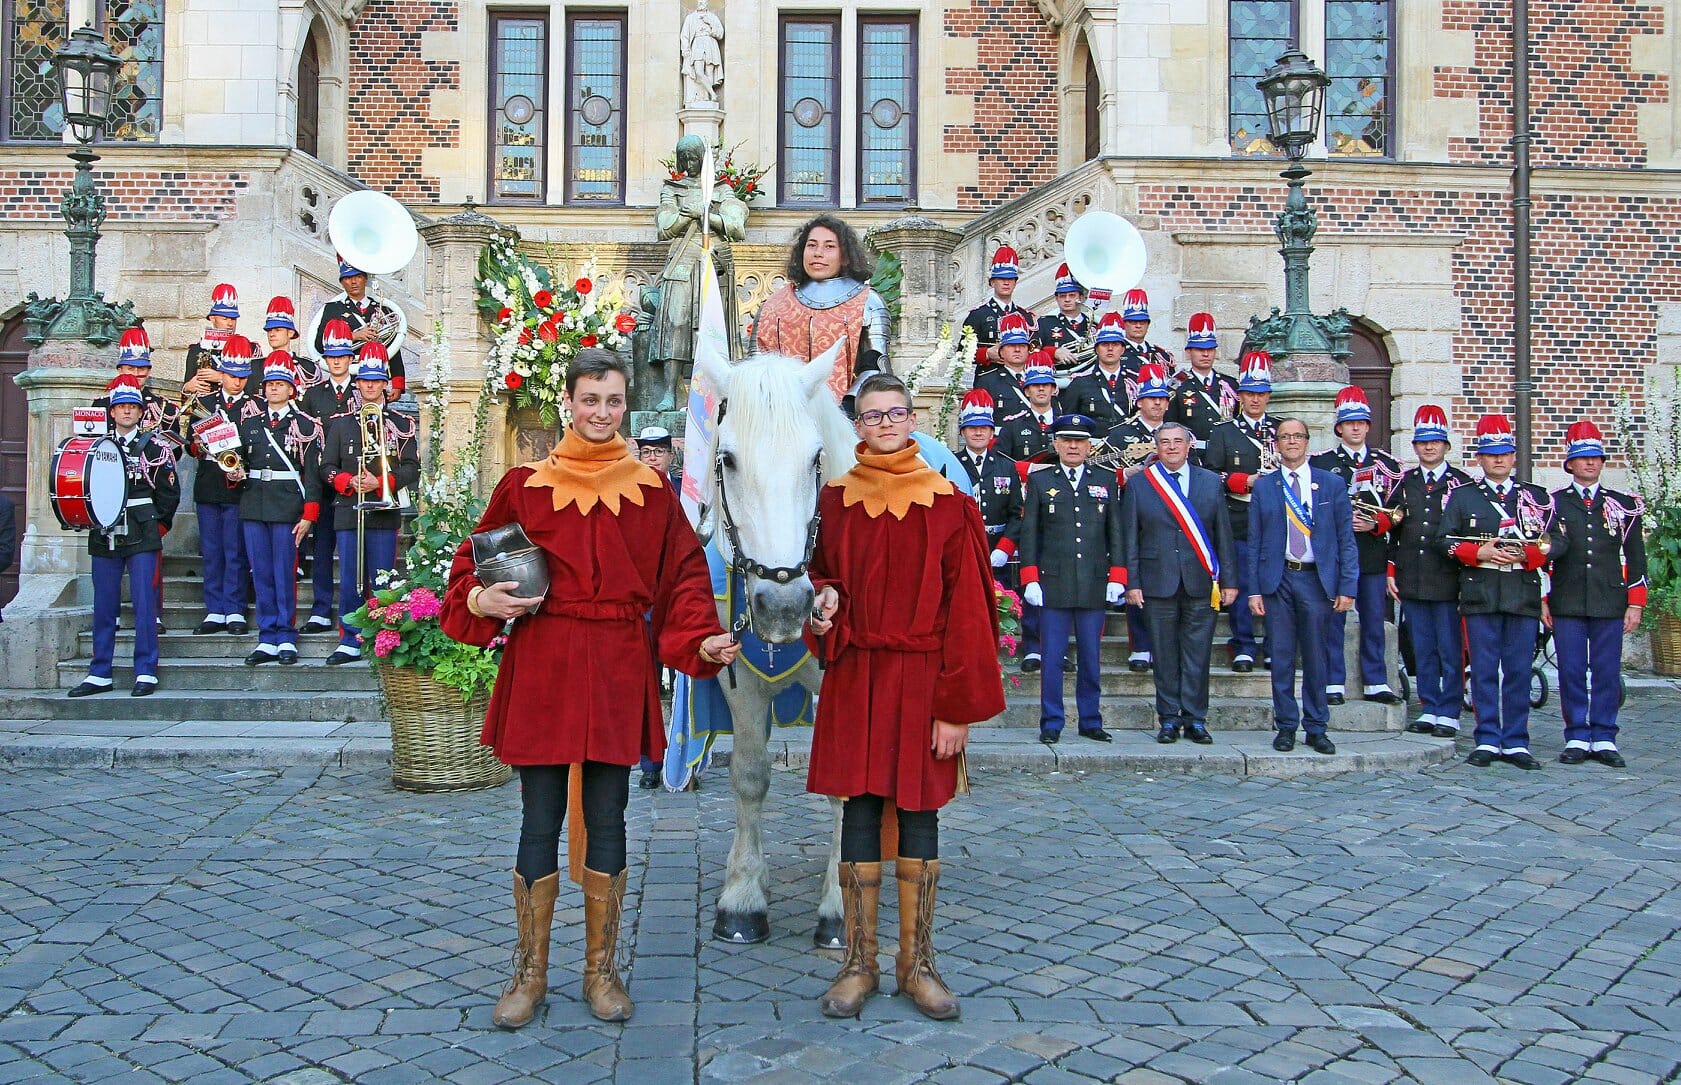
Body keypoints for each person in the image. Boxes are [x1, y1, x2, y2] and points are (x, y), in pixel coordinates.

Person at [440, 349, 738, 1027]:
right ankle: (528, 970)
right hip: (544, 660)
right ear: (568, 402)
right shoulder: (524, 484)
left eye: (612, 400)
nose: (601, 412)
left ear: (623, 405)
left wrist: (699, 637)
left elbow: (683, 576)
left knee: (608, 816)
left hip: (615, 662)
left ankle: (601, 970)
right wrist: (482, 600)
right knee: (537, 817)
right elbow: (472, 561)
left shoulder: (652, 492)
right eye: (589, 399)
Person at [806, 372, 1004, 1022]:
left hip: (924, 682)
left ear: (913, 418)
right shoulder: (833, 502)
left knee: (920, 815)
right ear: (857, 424)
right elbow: (822, 577)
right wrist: (824, 602)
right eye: (871, 415)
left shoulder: (950, 505)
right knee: (859, 811)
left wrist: (956, 707)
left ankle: (915, 962)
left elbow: (972, 612)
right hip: (858, 675)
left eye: (895, 413)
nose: (885, 424)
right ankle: (857, 962)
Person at [1439, 414, 1566, 770]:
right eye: (1491, 454)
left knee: (1518, 670)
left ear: (1514, 457)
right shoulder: (1463, 498)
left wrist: (1529, 554)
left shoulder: (1535, 498)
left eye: (1505, 453)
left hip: (1521, 590)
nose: (1498, 459)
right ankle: (1487, 738)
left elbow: (1558, 541)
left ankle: (1515, 741)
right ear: (1480, 459)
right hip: (1480, 591)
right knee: (1482, 670)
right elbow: (1444, 541)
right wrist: (1478, 552)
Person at [1121, 421, 1237, 744]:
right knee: (1164, 655)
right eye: (1164, 442)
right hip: (1157, 582)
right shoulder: (1141, 485)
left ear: (1189, 446)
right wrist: (1132, 582)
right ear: (1155, 448)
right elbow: (1129, 538)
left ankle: (1196, 719)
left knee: (1198, 656)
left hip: (1201, 582)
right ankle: (1169, 719)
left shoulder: (1210, 482)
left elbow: (1223, 535)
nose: (1171, 447)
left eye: (1177, 442)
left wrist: (1229, 580)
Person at [1247, 417, 1357, 754]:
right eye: (1284, 437)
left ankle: (1317, 726)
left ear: (1307, 442)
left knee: (1316, 657)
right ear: (1276, 444)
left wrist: (1348, 586)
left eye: (1298, 436)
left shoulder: (1331, 484)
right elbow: (1254, 541)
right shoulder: (1265, 486)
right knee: (1280, 657)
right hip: (1278, 579)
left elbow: (1345, 540)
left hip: (1316, 579)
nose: (1291, 442)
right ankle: (1286, 726)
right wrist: (1253, 589)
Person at [66, 377, 179, 698]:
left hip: (142, 530)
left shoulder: (156, 446)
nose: (127, 412)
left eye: (133, 407)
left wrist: (157, 526)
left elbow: (169, 492)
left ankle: (145, 670)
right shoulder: (95, 445)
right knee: (104, 604)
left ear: (141, 412)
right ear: (112, 412)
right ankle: (99, 671)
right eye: (121, 407)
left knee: (145, 603)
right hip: (104, 530)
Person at [1018, 414, 1123, 744]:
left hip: (1093, 581)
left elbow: (1115, 533)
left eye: (1079, 441)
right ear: (1056, 444)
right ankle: (1051, 721)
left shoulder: (1106, 481)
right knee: (1051, 658)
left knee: (1091, 657)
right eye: (1066, 440)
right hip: (1053, 583)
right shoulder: (1040, 481)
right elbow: (1030, 534)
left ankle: (1091, 719)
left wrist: (1117, 576)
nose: (1073, 446)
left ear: (1089, 446)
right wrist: (1030, 578)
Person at [1547, 420, 1645, 768]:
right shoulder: (1553, 504)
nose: (1590, 464)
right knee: (1571, 669)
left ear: (1603, 463)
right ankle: (1576, 733)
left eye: (1596, 458)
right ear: (1570, 463)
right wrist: (1545, 598)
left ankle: (1604, 735)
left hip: (1609, 599)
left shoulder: (1622, 505)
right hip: (1568, 599)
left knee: (1605, 670)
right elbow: (1543, 556)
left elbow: (1636, 556)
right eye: (1583, 459)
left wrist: (1636, 602)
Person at [320, 351, 421, 665]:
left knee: (382, 579)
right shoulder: (340, 425)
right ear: (357, 383)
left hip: (383, 512)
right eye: (365, 380)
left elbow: (411, 468)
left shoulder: (400, 423)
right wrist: (349, 481)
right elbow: (326, 467)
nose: (370, 387)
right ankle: (349, 639)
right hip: (349, 510)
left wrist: (381, 482)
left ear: (385, 384)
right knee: (351, 577)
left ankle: (381, 636)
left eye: (376, 381)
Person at [1311, 386, 1403, 706]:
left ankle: (1376, 680)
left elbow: (1400, 510)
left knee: (1374, 618)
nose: (1355, 428)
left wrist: (1377, 523)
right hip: (1336, 556)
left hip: (1372, 553)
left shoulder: (1387, 466)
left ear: (1367, 426)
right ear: (1339, 427)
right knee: (1333, 619)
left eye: (1361, 422)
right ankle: (1333, 679)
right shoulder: (1321, 464)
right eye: (1349, 423)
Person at [229, 354, 323, 666]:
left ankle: (286, 635)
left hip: (287, 507)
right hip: (254, 504)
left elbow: (311, 473)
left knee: (284, 573)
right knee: (262, 573)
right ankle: (266, 636)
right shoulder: (250, 424)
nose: (273, 389)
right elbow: (238, 462)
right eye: (270, 384)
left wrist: (309, 514)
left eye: (280, 384)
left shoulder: (305, 426)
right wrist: (232, 473)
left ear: (291, 389)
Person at [1388, 405, 1472, 738]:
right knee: (1421, 647)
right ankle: (1429, 706)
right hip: (1413, 576)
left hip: (1448, 578)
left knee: (1450, 648)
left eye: (1435, 442)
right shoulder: (1404, 483)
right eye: (1423, 443)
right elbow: (1394, 531)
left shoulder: (1461, 486)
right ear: (1416, 447)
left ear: (1446, 447)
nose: (1429, 448)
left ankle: (1449, 711)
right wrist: (1391, 569)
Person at [649, 134, 747, 410]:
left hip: (713, 260)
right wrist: (687, 215)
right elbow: (664, 225)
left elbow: (736, 225)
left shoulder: (722, 189)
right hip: (682, 259)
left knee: (712, 325)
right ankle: (670, 392)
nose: (691, 163)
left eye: (695, 158)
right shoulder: (672, 188)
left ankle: (716, 393)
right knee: (675, 322)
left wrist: (706, 214)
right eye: (686, 158)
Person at [753, 215, 891, 402]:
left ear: (845, 256)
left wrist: (848, 407)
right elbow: (754, 366)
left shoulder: (869, 302)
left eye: (829, 246)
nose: (818, 253)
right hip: (781, 414)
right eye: (811, 245)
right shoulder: (773, 305)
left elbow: (877, 368)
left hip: (848, 418)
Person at [1203, 350, 1281, 672]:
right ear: (1240, 395)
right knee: (1242, 582)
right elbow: (1211, 475)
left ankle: (1276, 646)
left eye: (1261, 394)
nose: (1255, 400)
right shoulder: (1224, 431)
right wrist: (1245, 481)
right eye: (1249, 393)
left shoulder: (1281, 429)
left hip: (1276, 519)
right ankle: (1244, 645)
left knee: (1276, 584)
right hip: (1239, 516)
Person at [185, 336, 263, 637]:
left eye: (243, 377)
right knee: (212, 550)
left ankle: (235, 609)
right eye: (232, 376)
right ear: (223, 373)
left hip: (237, 486)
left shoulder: (256, 407)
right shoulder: (204, 403)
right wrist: (198, 445)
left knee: (235, 550)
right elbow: (191, 445)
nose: (237, 382)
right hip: (208, 483)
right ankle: (214, 609)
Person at [953, 391, 1035, 669]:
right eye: (972, 428)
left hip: (996, 550)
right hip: (962, 549)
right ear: (963, 432)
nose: (978, 433)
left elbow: (1017, 514)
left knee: (999, 606)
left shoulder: (1006, 466)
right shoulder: (951, 463)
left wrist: (1004, 549)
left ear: (992, 432)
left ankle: (997, 656)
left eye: (983, 428)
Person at [1106, 362, 1176, 672]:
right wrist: (1124, 474)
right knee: (1136, 579)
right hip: (1133, 515)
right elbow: (1103, 476)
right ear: (1139, 401)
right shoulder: (1121, 434)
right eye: (1151, 398)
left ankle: (1165, 645)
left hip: (1171, 520)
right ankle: (1140, 646)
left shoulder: (1178, 435)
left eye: (1162, 398)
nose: (1157, 403)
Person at [298, 322, 362, 635]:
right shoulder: (311, 396)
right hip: (323, 485)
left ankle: (360, 612)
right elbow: (309, 446)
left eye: (342, 356)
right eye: (331, 356)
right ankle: (321, 609)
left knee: (356, 553)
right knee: (322, 548)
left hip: (355, 486)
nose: (336, 361)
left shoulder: (363, 389)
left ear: (351, 358)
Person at [634, 424, 682, 791]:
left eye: (659, 452)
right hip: (646, 602)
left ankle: (685, 761)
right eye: (647, 453)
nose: (653, 458)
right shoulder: (632, 490)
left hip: (679, 600)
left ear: (670, 454)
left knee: (686, 683)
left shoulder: (686, 491)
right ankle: (650, 764)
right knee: (646, 684)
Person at [303, 255, 409, 400]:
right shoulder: (333, 309)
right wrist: (353, 336)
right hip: (346, 377)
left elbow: (392, 346)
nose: (353, 282)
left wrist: (397, 383)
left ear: (365, 279)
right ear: (341, 282)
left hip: (375, 378)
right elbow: (320, 345)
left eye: (358, 276)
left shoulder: (382, 309)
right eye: (347, 278)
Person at [1167, 314, 1239, 450]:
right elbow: (1170, 423)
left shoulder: (1230, 384)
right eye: (1200, 349)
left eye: (1210, 349)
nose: (1206, 354)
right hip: (1194, 454)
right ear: (1189, 352)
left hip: (1226, 453)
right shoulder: (1176, 385)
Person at [961, 246, 1033, 373]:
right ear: (992, 283)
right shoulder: (978, 315)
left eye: (1010, 279)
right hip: (989, 379)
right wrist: (987, 354)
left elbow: (1034, 350)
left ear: (1015, 283)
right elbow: (962, 354)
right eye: (1001, 279)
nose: (1006, 283)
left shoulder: (1025, 316)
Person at [1058, 312, 1132, 433]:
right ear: (1096, 349)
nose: (1110, 349)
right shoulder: (1080, 383)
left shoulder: (1133, 381)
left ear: (1123, 349)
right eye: (1104, 344)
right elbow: (1069, 422)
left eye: (1115, 344)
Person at [1032, 264, 1093, 380]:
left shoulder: (1093, 324)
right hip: (1058, 381)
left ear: (1080, 297)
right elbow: (1032, 353)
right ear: (1056, 299)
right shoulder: (1044, 323)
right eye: (1062, 296)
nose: (1067, 299)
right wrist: (1054, 352)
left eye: (1072, 295)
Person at [180, 283, 242, 397]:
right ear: (213, 318)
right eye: (225, 318)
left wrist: (221, 378)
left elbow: (254, 386)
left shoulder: (247, 348)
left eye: (233, 319)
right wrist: (188, 387)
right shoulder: (197, 349)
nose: (230, 323)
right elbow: (184, 396)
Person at [973, 312, 1036, 421]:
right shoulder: (987, 382)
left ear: (1028, 350)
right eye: (1012, 346)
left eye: (1022, 346)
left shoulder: (1039, 378)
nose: (1017, 350)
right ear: (1001, 352)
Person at [994, 365, 1057, 464]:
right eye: (1035, 385)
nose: (1041, 389)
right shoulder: (1013, 425)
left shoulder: (1064, 424)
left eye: (1046, 385)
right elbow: (1000, 460)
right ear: (1027, 392)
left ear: (1053, 390)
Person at [1114, 288, 1175, 377]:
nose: (1138, 326)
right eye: (1133, 322)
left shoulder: (1161, 355)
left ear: (1148, 324)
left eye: (1142, 322)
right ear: (1124, 324)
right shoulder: (1115, 353)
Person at [263, 296, 318, 387]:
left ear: (290, 333)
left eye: (277, 329)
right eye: (269, 330)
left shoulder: (307, 367)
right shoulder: (256, 367)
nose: (271, 334)